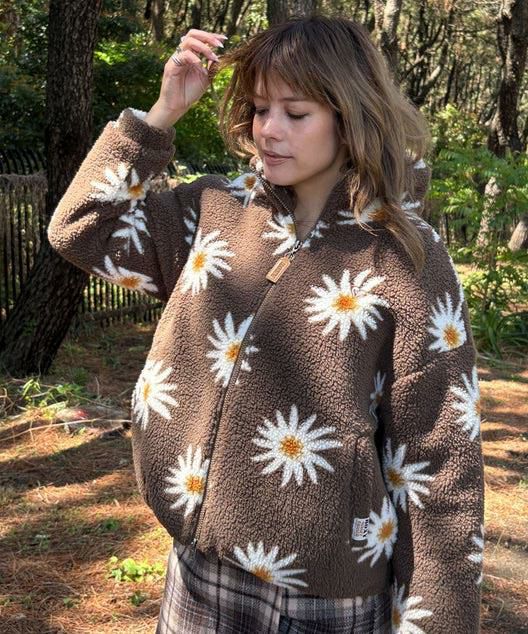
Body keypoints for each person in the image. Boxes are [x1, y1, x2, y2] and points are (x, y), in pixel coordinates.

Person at [47, 15, 485, 634]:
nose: (268, 130)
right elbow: (80, 230)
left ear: (351, 117)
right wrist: (160, 116)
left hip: (323, 597)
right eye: (258, 109)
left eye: (295, 113)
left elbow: (440, 457)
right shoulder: (216, 211)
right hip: (199, 568)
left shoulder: (404, 256)